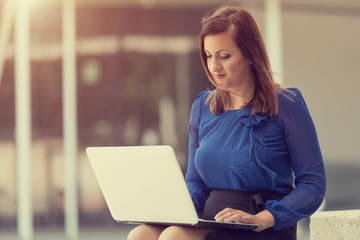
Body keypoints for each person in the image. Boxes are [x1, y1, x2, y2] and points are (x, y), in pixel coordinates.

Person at [128, 5, 326, 240]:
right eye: (208, 56)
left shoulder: (286, 104)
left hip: (261, 225)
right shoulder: (203, 106)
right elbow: (195, 181)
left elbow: (313, 184)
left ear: (250, 53)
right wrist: (176, 210)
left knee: (173, 238)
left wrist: (265, 217)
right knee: (140, 234)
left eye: (224, 56)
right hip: (211, 219)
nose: (214, 66)